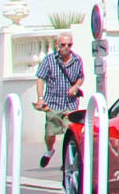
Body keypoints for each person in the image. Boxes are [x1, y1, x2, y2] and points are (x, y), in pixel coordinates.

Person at [33, 32, 85, 170]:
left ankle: (68, 160)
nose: (66, 47)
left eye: (69, 45)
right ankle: (50, 150)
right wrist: (40, 98)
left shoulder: (77, 59)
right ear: (57, 45)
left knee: (71, 132)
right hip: (53, 103)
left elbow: (81, 77)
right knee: (50, 132)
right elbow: (40, 78)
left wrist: (75, 86)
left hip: (71, 103)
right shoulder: (49, 60)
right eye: (63, 45)